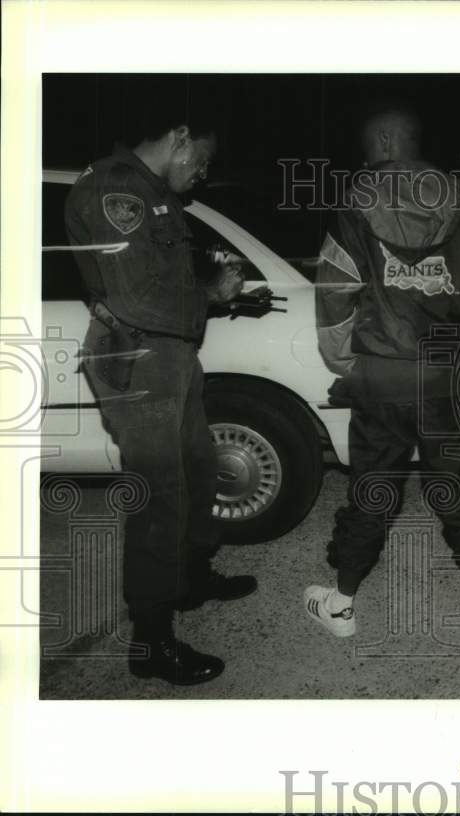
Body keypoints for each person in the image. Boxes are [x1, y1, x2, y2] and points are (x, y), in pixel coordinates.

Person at [305, 106, 460, 637]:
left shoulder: (353, 203)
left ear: (380, 141)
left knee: (372, 486)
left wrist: (347, 363)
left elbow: (333, 296)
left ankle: (342, 606)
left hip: (381, 375)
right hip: (444, 375)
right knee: (457, 485)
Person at [65, 104, 257, 685]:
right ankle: (151, 644)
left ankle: (192, 580)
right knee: (158, 502)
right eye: (201, 160)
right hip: (138, 355)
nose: (201, 173)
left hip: (169, 356)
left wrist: (206, 285)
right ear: (178, 137)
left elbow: (159, 277)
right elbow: (136, 299)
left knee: (199, 473)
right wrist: (213, 298)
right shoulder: (114, 193)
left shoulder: (153, 193)